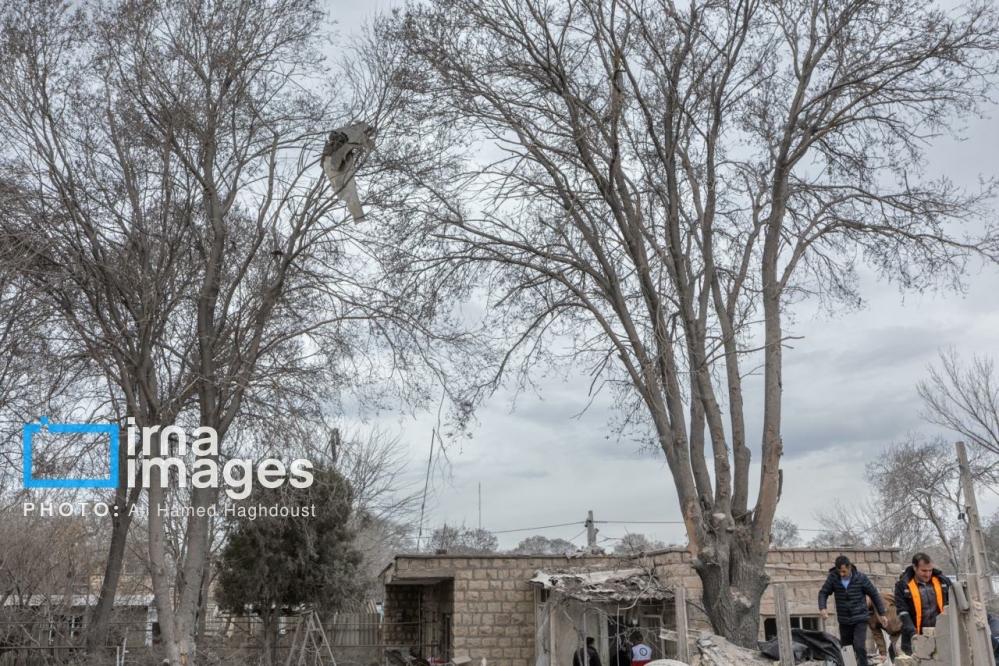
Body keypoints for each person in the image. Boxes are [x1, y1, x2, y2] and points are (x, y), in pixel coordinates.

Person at [818, 555, 888, 666]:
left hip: (860, 617)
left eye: (844, 571)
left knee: (859, 646)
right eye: (839, 572)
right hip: (844, 619)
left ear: (850, 567)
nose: (841, 574)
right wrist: (822, 607)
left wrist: (882, 613)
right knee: (847, 649)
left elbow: (874, 594)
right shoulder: (833, 578)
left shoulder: (860, 578)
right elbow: (823, 592)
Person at [894, 552, 953, 656]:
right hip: (915, 635)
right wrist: (913, 633)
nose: (928, 574)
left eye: (930, 570)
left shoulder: (942, 581)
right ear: (914, 567)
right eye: (924, 571)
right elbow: (902, 611)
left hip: (942, 635)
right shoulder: (903, 586)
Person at [867, 592, 902, 662]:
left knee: (899, 648)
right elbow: (877, 635)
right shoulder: (869, 616)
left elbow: (901, 601)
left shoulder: (883, 596)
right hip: (894, 635)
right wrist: (883, 653)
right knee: (894, 654)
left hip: (905, 628)